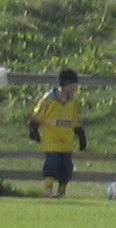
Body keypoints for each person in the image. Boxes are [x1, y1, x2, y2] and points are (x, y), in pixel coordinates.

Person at [28, 69, 83, 198]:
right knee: (52, 164)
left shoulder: (72, 102)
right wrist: (33, 128)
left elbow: (74, 119)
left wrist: (79, 132)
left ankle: (61, 191)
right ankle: (48, 190)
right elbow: (37, 115)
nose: (74, 88)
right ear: (65, 84)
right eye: (72, 84)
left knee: (66, 167)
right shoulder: (48, 99)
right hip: (51, 139)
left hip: (66, 140)